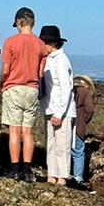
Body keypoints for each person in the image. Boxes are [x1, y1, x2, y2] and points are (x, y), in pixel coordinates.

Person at [0, 7, 47, 182]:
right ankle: (27, 169)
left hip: (14, 87)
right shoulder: (41, 45)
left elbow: (5, 70)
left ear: (19, 21)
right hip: (32, 89)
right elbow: (41, 72)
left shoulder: (10, 41)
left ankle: (14, 170)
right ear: (32, 23)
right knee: (28, 131)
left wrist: (2, 83)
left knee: (14, 130)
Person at [39, 25, 76, 186]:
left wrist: (59, 113)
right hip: (49, 108)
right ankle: (52, 174)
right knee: (51, 144)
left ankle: (62, 176)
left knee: (62, 145)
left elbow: (66, 88)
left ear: (51, 44)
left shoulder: (61, 60)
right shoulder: (48, 60)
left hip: (63, 111)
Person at [71, 74, 95, 185]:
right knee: (78, 152)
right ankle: (78, 177)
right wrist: (85, 120)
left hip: (66, 124)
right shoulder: (86, 92)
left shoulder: (70, 89)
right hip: (79, 126)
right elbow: (90, 109)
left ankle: (64, 173)